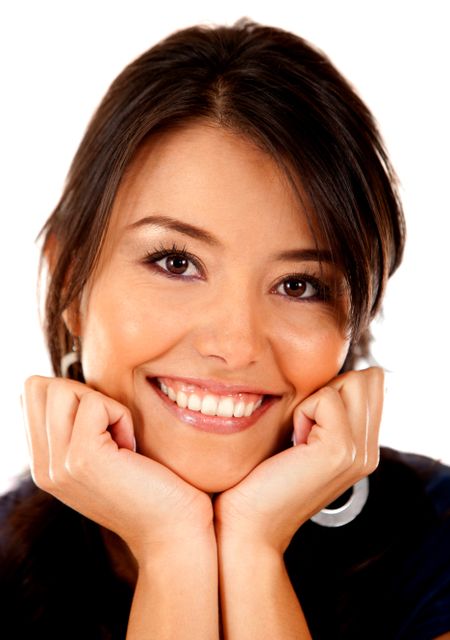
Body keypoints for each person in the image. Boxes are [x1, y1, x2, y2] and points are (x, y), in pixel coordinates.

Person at [1, 17, 449, 640]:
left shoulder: (436, 539)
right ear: (68, 282)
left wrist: (252, 550)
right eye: (176, 262)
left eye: (299, 285)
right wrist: (174, 548)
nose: (235, 345)